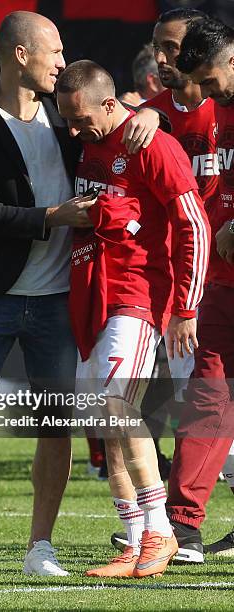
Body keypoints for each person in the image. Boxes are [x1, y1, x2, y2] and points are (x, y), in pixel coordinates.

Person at [0, 10, 162, 579]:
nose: (63, 60)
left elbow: (123, 127)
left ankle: (41, 547)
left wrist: (146, 110)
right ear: (20, 55)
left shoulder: (68, 116)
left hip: (61, 297)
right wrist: (55, 216)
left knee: (53, 425)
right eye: (54, 50)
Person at [56, 59, 210, 578]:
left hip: (139, 297)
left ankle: (162, 532)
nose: (74, 132)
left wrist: (186, 307)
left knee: (119, 407)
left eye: (80, 120)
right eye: (68, 122)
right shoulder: (91, 137)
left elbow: (194, 223)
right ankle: (136, 536)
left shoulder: (152, 143)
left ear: (107, 104)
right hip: (92, 296)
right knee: (102, 423)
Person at [111, 7, 219, 565]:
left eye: (172, 48)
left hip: (211, 281)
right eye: (157, 47)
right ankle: (169, 524)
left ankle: (173, 523)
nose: (161, 58)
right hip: (188, 286)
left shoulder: (225, 104)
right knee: (183, 397)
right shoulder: (150, 116)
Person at [165, 16, 234, 560]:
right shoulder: (215, 111)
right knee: (208, 397)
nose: (209, 95)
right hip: (222, 283)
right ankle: (182, 527)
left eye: (212, 82)